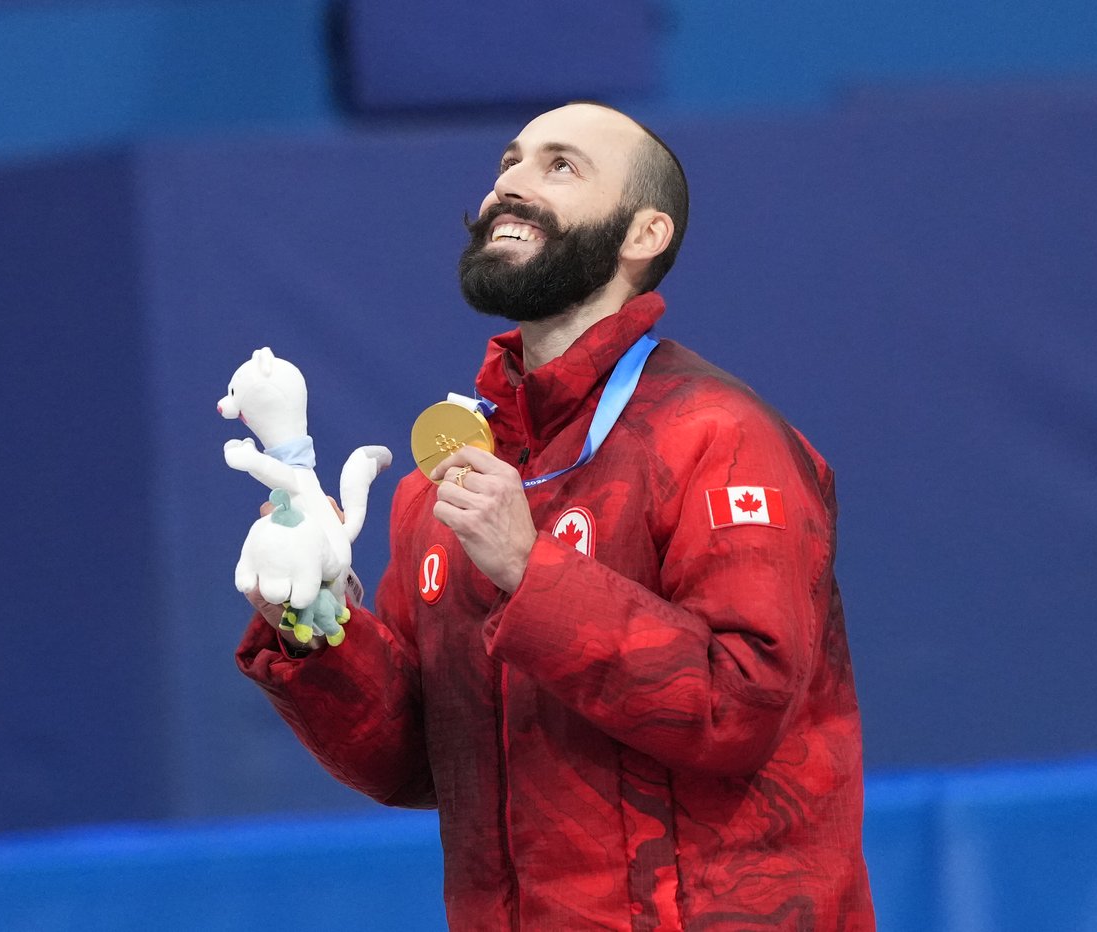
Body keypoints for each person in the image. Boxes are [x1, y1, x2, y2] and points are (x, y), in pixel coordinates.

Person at [236, 102, 874, 931]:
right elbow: (416, 762)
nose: (509, 184)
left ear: (643, 234)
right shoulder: (444, 484)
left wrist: (529, 572)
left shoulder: (717, 436)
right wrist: (315, 624)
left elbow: (739, 706)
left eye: (560, 166)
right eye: (509, 161)